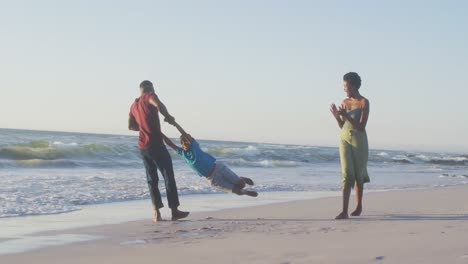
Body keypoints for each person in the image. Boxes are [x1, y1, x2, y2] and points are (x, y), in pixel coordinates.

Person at [128, 80, 189, 222]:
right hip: (156, 144)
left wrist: (143, 127)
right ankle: (174, 211)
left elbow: (131, 126)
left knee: (152, 179)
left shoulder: (133, 106)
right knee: (168, 176)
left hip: (143, 147)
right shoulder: (149, 96)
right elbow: (158, 105)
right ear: (149, 89)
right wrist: (168, 117)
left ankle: (156, 213)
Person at [162, 123, 258, 197]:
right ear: (181, 144)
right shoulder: (182, 153)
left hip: (218, 168)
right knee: (237, 191)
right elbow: (170, 144)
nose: (185, 143)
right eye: (183, 142)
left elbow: (183, 133)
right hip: (213, 179)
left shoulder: (194, 146)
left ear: (190, 141)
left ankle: (242, 179)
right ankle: (245, 192)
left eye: (187, 141)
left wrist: (175, 124)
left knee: (241, 184)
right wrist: (159, 132)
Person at [330, 72, 370, 220]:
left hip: (359, 140)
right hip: (344, 139)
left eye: (346, 86)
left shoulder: (364, 102)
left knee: (358, 174)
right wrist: (337, 117)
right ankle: (344, 211)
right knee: (347, 174)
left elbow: (361, 126)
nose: (344, 89)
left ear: (353, 85)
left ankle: (359, 206)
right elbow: (342, 126)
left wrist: (346, 116)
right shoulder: (345, 102)